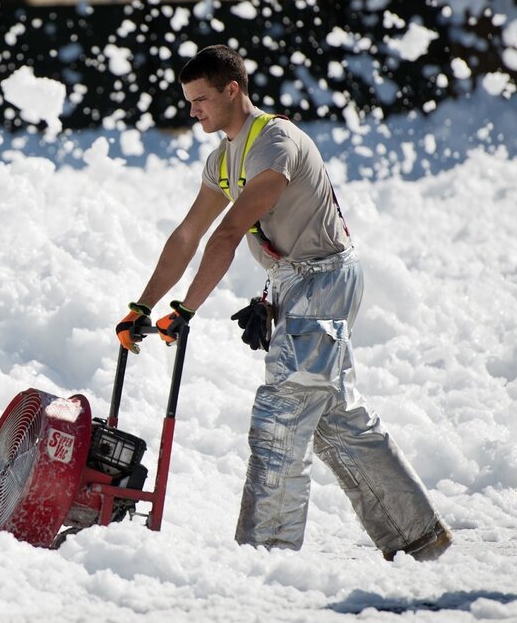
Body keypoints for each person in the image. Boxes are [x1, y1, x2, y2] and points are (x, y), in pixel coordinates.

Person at [116, 45, 451, 560]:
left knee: (283, 413)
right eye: (188, 102)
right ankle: (418, 535)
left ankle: (264, 555)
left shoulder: (274, 142)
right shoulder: (223, 158)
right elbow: (187, 235)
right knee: (333, 415)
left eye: (201, 99)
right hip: (295, 282)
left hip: (324, 280)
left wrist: (185, 310)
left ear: (233, 90)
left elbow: (227, 233)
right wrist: (141, 307)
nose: (193, 111)